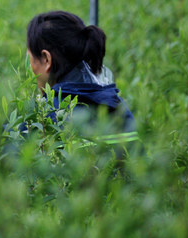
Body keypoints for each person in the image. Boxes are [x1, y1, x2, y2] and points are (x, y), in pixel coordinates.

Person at [24, 10, 138, 148]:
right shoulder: (118, 107)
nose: (29, 67)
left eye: (29, 58)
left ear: (46, 59)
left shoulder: (40, 118)